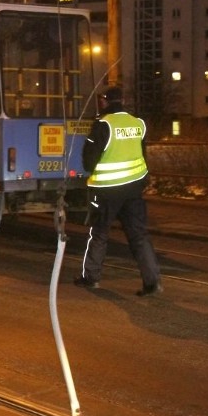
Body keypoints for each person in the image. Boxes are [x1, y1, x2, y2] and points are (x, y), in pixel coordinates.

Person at [74, 86, 163, 296]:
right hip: (133, 189)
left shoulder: (103, 124)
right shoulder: (138, 123)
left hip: (106, 191)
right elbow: (142, 154)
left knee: (99, 234)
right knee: (139, 236)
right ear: (123, 100)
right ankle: (152, 282)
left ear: (105, 101)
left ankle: (91, 277)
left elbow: (88, 161)